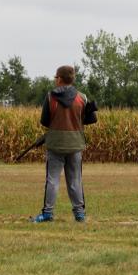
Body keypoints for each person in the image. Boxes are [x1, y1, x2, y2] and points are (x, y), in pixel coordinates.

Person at [31, 65, 94, 223]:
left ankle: (47, 214)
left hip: (55, 145)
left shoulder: (50, 97)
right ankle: (79, 214)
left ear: (60, 79)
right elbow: (90, 119)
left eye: (56, 77)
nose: (55, 80)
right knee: (75, 180)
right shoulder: (82, 98)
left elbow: (44, 121)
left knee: (52, 180)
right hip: (75, 145)